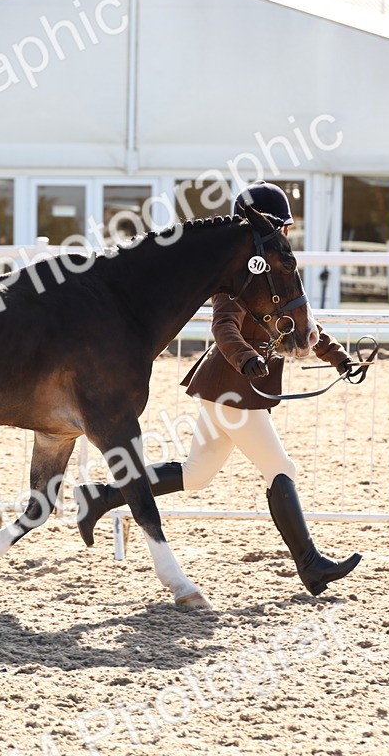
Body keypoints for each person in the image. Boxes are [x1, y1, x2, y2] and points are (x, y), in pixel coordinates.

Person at [75, 180, 362, 597]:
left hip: (229, 391)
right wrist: (247, 359)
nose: (284, 234)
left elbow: (303, 327)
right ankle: (311, 566)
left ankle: (100, 498)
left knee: (196, 474)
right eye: (280, 226)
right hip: (234, 392)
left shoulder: (270, 274)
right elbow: (223, 328)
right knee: (281, 469)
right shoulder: (239, 277)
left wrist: (339, 357)